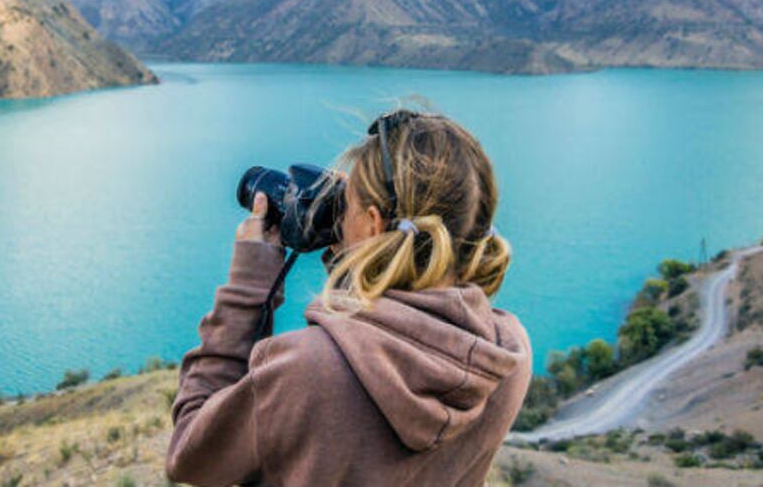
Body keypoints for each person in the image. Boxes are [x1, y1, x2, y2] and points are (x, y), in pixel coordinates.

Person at [165, 109, 532, 486]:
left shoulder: (305, 370)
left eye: (348, 205)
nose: (339, 214)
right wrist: (361, 247)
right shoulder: (506, 355)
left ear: (374, 224)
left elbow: (189, 458)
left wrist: (247, 290)